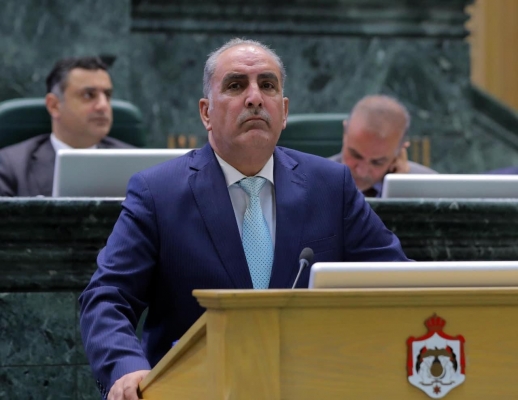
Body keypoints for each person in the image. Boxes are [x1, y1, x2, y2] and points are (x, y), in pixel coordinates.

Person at [79, 38, 410, 400]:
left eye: (267, 85)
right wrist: (127, 368)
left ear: (284, 110)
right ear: (206, 112)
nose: (254, 97)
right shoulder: (158, 193)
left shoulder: (330, 185)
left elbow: (398, 282)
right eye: (236, 85)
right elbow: (107, 297)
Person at [0, 56, 133, 197]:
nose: (103, 105)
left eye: (107, 95)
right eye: (89, 95)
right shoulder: (10, 166)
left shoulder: (135, 164)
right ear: (54, 105)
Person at [329, 95, 437, 197]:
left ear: (400, 151)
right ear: (345, 133)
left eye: (377, 162)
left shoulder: (433, 192)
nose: (362, 172)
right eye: (355, 155)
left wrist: (400, 192)